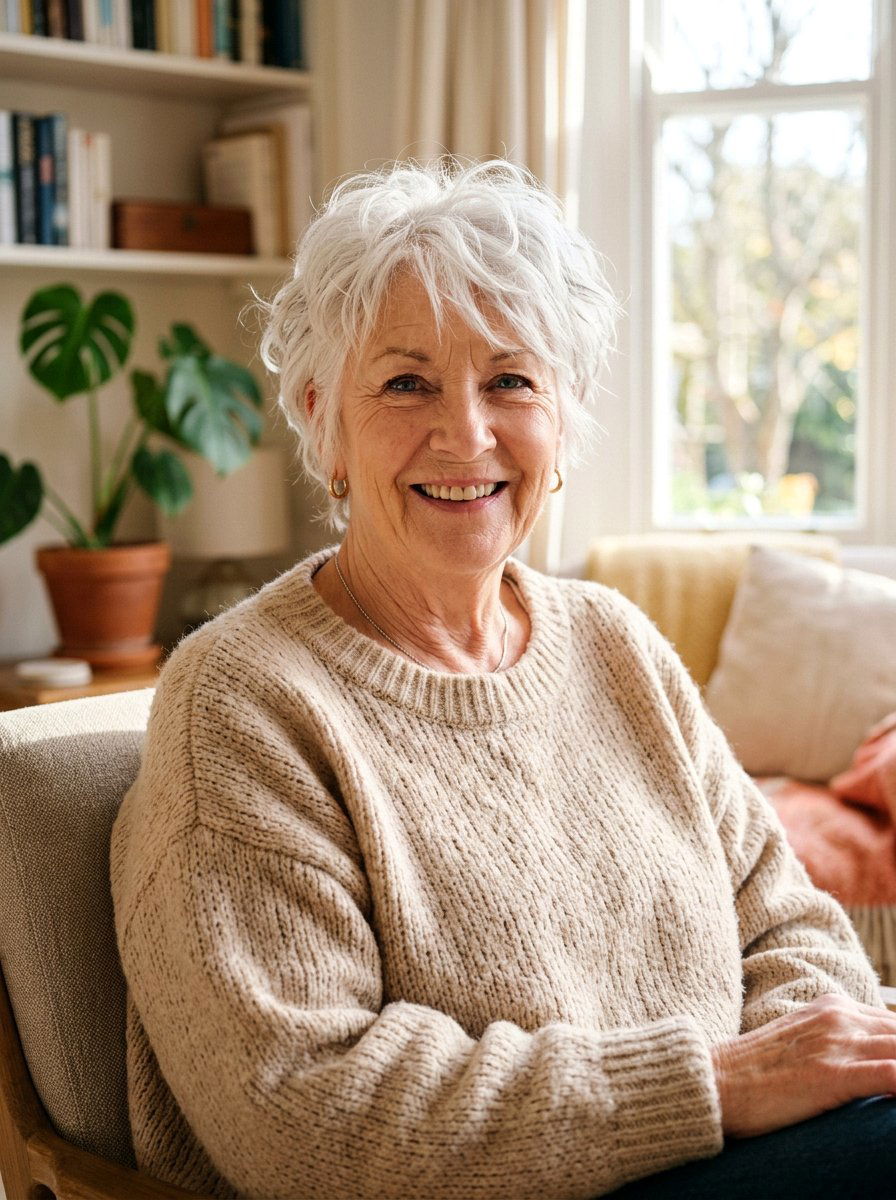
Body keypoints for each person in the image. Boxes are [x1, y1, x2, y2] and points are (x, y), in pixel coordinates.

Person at [109, 158, 896, 1200]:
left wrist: (796, 1074)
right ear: (320, 417)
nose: (466, 433)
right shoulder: (242, 703)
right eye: (404, 382)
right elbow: (299, 1109)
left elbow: (789, 925)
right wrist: (716, 1085)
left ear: (560, 421)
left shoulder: (613, 642)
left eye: (510, 380)